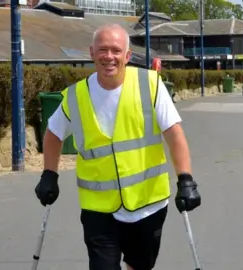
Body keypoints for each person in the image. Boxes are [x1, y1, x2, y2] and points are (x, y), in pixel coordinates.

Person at [34, 24, 201, 270]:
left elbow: (174, 134)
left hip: (148, 204)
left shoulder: (150, 85)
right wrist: (49, 173)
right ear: (91, 53)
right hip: (99, 209)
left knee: (139, 265)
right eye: (102, 50)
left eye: (115, 50)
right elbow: (53, 133)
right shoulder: (75, 96)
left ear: (127, 55)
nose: (108, 56)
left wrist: (185, 179)